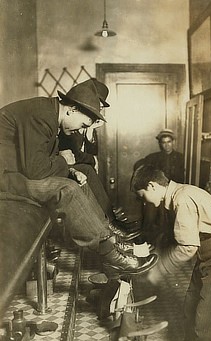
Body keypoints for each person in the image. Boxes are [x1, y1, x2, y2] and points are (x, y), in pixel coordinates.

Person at [0, 79, 157, 275]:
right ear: (72, 109)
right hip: (5, 179)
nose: (80, 131)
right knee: (68, 190)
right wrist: (65, 162)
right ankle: (112, 256)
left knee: (77, 179)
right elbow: (35, 170)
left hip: (16, 172)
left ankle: (111, 241)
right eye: (83, 125)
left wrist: (71, 170)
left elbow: (41, 160)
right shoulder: (40, 116)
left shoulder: (51, 113)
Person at [130, 165, 211, 341]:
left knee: (207, 323)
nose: (144, 202)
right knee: (191, 310)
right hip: (208, 254)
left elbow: (188, 247)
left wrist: (159, 270)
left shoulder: (182, 199)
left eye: (143, 196)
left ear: (152, 185)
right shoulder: (179, 194)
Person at [58, 78, 140, 234]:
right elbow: (76, 155)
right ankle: (109, 222)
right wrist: (92, 159)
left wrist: (89, 131)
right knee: (88, 169)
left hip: (75, 164)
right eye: (100, 105)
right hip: (64, 164)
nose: (99, 110)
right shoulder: (71, 122)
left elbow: (93, 150)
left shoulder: (86, 122)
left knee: (90, 169)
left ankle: (110, 217)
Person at [134, 129, 184, 243]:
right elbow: (139, 165)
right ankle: (146, 243)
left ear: (173, 142)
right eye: (164, 142)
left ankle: (165, 244)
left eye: (169, 142)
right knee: (149, 216)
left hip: (171, 193)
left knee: (167, 221)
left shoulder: (180, 158)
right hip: (155, 192)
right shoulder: (154, 157)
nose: (167, 145)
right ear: (160, 144)